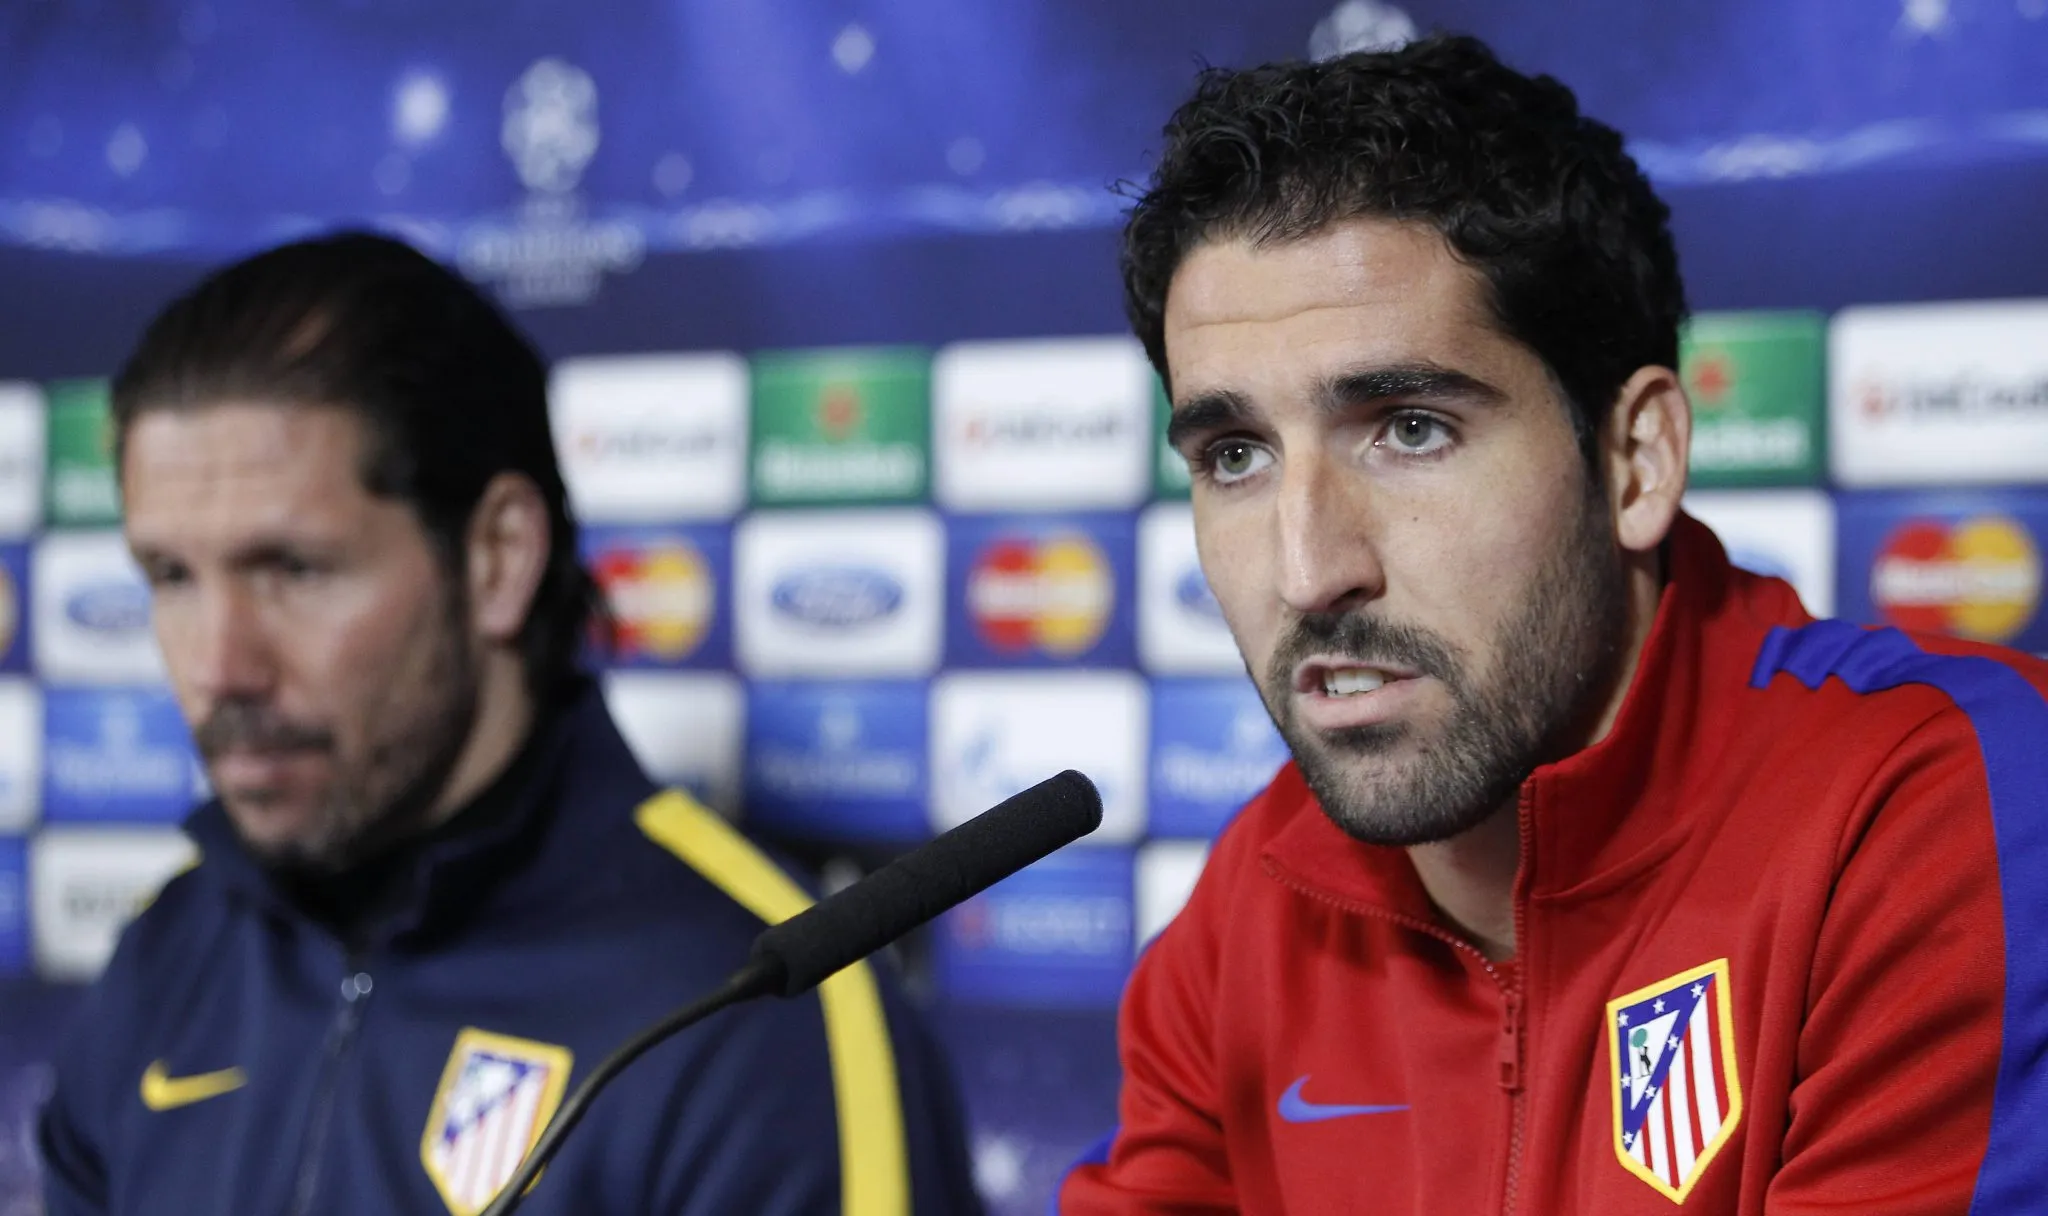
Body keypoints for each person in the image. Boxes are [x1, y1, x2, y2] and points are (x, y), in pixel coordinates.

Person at [1057, 33, 2048, 1214]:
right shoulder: (1249, 910)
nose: (1308, 570)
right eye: (1234, 455)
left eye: (1409, 428)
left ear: (1634, 460)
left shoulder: (1946, 798)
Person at [36, 232, 984, 1216]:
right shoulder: (168, 955)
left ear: (497, 557)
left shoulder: (766, 1006)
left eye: (294, 570)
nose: (218, 668)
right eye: (171, 577)